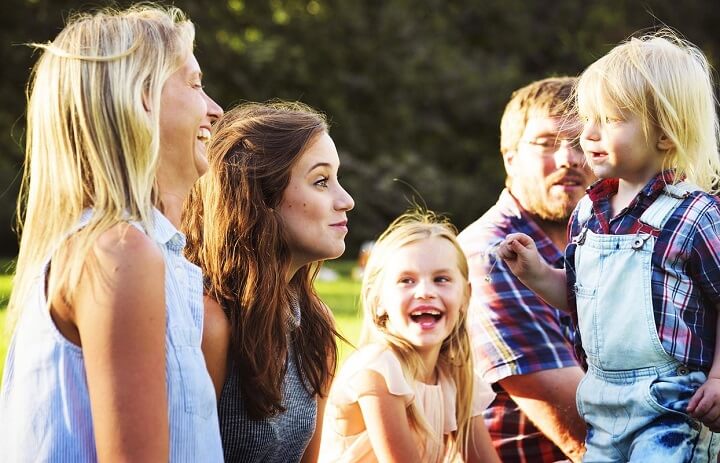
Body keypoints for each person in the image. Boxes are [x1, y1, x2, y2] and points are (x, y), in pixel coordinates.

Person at [0, 5, 224, 461]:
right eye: (196, 84)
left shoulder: (144, 255)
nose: (216, 110)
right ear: (142, 97)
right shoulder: (119, 253)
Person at [498, 31, 720, 462]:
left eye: (612, 119)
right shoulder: (587, 213)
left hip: (672, 406)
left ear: (666, 134)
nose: (590, 134)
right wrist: (537, 273)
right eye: (590, 118)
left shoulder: (697, 216)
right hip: (603, 402)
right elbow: (582, 298)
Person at [182, 101, 354, 462]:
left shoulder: (315, 325)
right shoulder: (209, 322)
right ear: (260, 199)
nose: (346, 201)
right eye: (321, 181)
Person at [457, 77, 592, 462]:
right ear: (510, 157)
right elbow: (581, 432)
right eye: (547, 143)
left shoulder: (606, 241)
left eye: (582, 142)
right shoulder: (494, 256)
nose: (568, 158)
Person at [319, 209, 501, 463]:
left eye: (441, 279)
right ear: (379, 300)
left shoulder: (455, 376)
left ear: (465, 297)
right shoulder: (378, 371)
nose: (425, 292)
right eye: (407, 280)